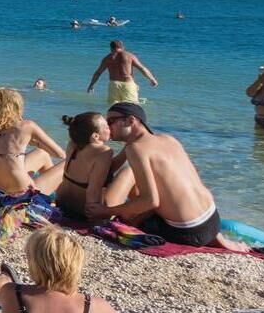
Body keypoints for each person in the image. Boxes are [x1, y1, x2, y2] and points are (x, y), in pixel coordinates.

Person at [95, 102, 248, 249]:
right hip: (213, 221)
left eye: (111, 121)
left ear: (130, 121)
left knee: (126, 204)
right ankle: (216, 238)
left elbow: (150, 201)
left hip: (188, 232)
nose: (108, 127)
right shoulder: (168, 139)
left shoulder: (136, 149)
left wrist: (106, 211)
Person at [0, 88, 69, 195]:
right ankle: (58, 197)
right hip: (22, 191)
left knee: (42, 153)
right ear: (17, 107)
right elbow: (60, 154)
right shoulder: (27, 126)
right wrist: (36, 143)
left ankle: (53, 195)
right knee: (65, 162)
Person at [52, 112, 135, 223]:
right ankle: (139, 216)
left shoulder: (73, 143)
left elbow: (105, 170)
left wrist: (128, 146)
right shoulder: (104, 152)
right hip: (84, 213)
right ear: (95, 136)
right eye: (106, 126)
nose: (110, 127)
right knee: (129, 171)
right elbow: (93, 191)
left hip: (62, 203)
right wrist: (96, 219)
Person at [85, 39, 157, 104]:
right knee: (131, 107)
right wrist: (152, 79)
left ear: (111, 48)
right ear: (122, 47)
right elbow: (142, 68)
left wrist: (91, 85)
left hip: (114, 84)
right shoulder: (129, 56)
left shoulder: (107, 58)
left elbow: (98, 73)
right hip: (127, 84)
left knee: (114, 107)